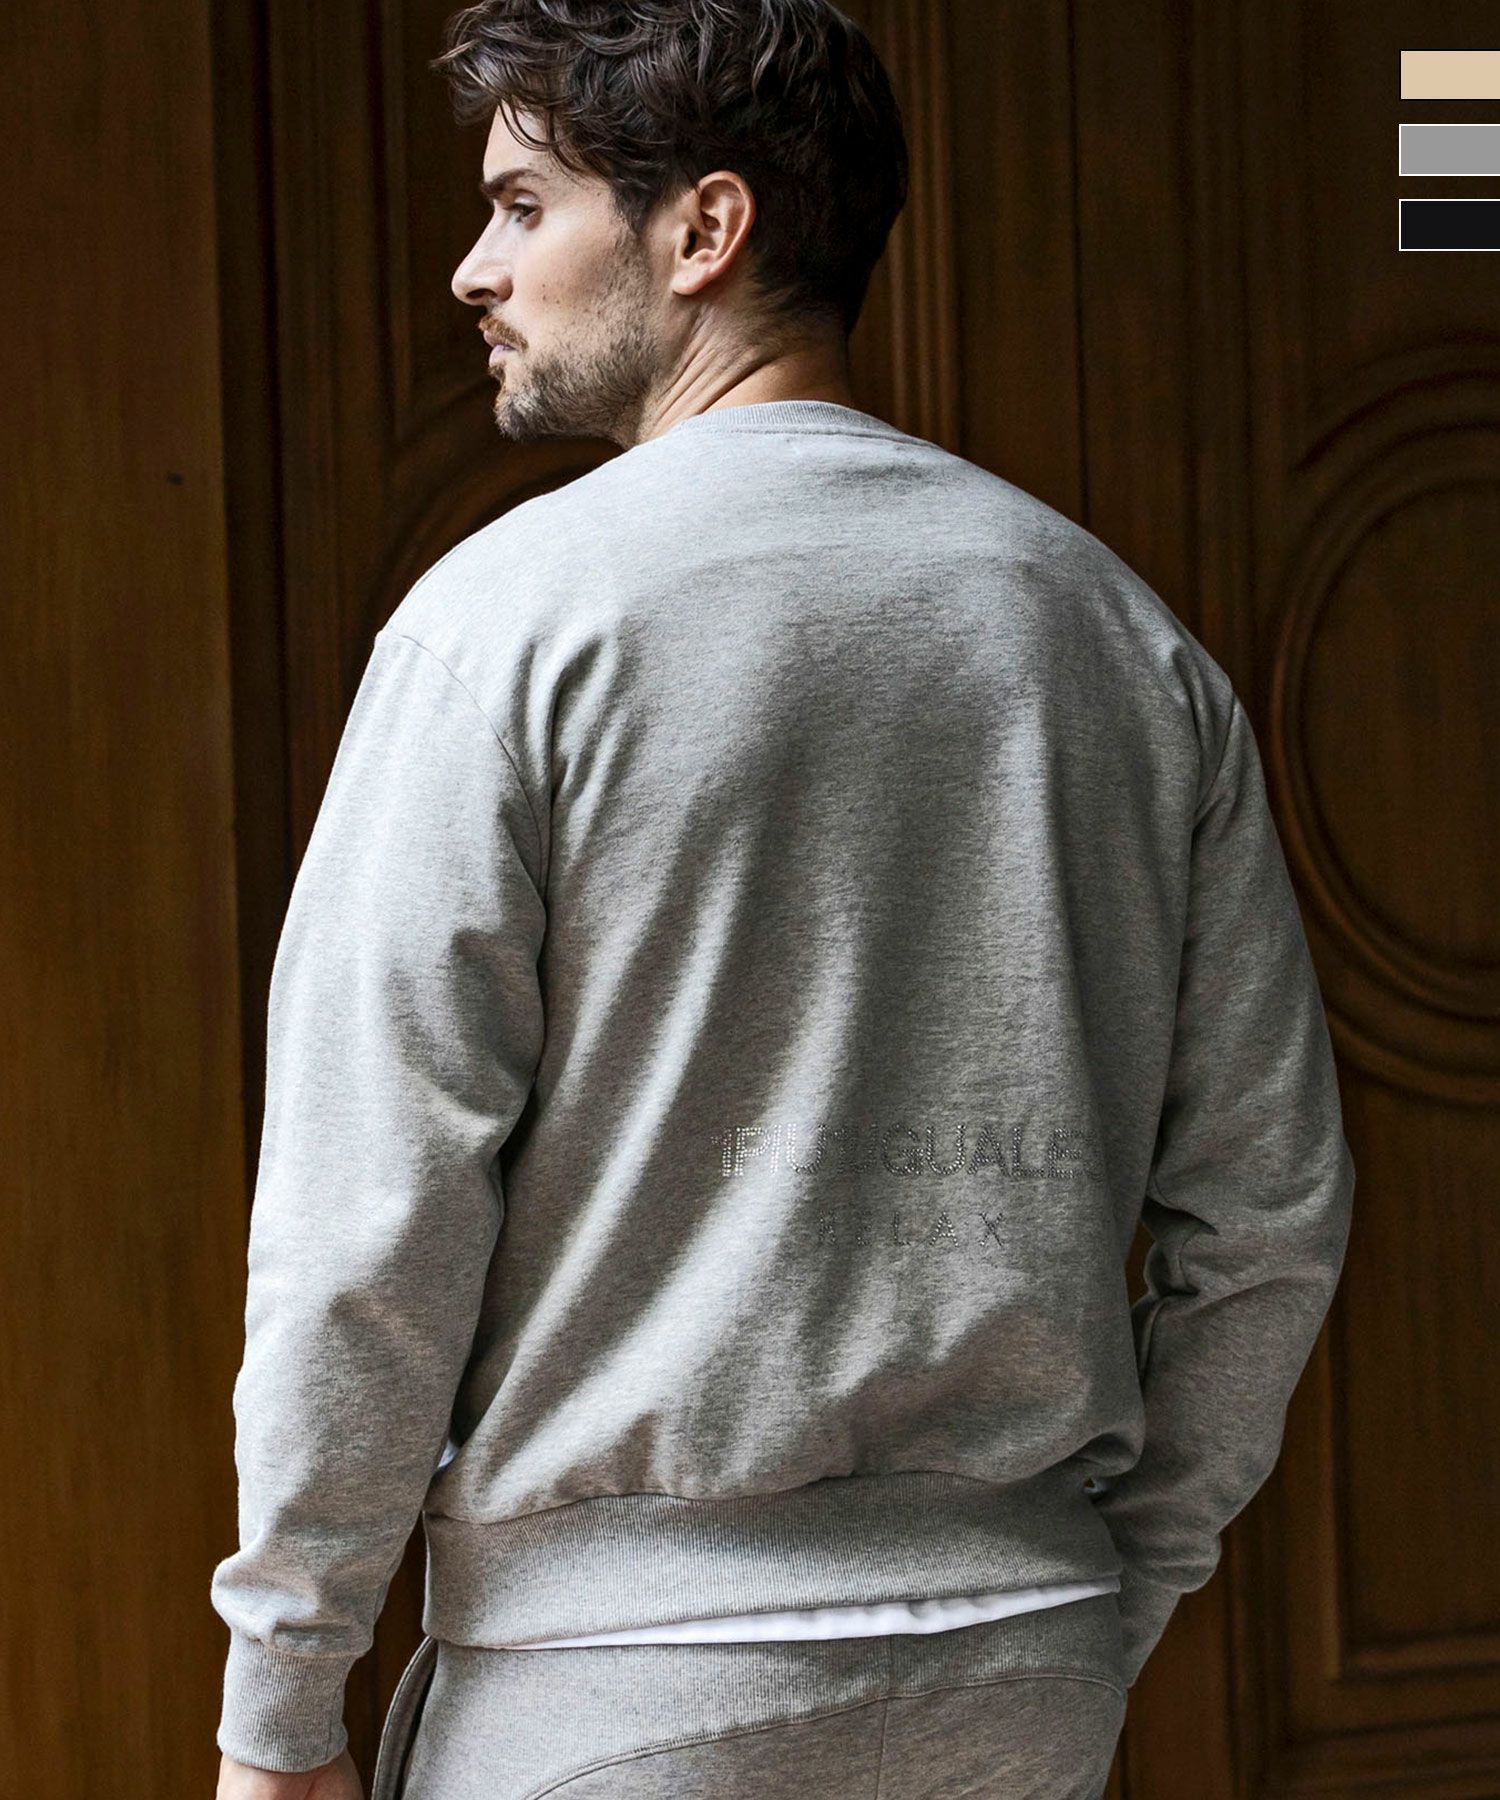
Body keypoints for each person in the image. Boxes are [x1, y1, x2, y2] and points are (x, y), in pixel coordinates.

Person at [211, 2, 1356, 1795]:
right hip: (1023, 1677)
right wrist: (1106, 1592)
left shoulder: (500, 632)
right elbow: (1272, 1219)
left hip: (614, 1699)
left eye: (522, 207)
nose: (472, 271)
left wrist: (283, 1711)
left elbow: (370, 1225)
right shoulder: (1125, 646)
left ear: (705, 230)